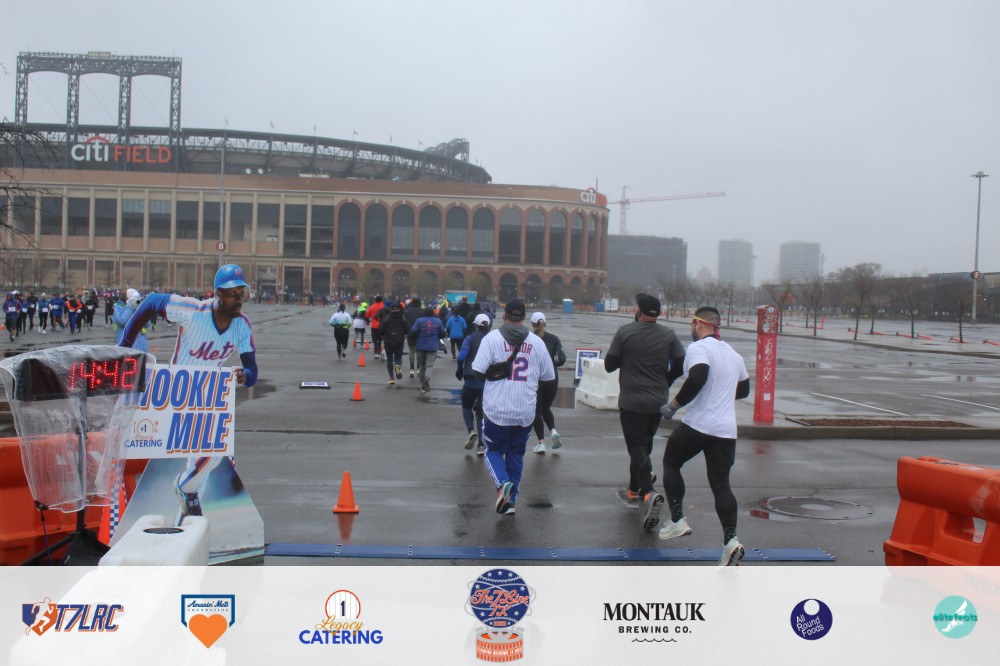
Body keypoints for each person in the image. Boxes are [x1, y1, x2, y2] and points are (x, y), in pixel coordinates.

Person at [119, 263, 258, 524]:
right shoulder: (193, 311)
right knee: (208, 457)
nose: (239, 299)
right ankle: (183, 489)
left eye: (242, 293)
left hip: (206, 398)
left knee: (207, 464)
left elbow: (252, 370)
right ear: (218, 294)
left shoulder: (242, 325)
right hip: (177, 394)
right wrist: (124, 346)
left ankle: (182, 520)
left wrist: (245, 375)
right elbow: (151, 302)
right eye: (233, 293)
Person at [657, 306, 751, 567]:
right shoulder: (733, 354)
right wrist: (720, 394)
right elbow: (744, 390)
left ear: (698, 323)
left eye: (691, 324)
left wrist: (674, 405)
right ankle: (731, 541)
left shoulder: (699, 348)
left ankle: (677, 520)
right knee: (721, 484)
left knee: (671, 462)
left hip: (698, 424)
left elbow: (698, 376)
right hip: (726, 431)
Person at [604, 293, 685, 532]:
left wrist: (626, 356)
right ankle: (633, 489)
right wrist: (665, 380)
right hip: (657, 401)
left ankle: (649, 493)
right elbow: (681, 364)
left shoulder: (625, 332)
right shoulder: (669, 334)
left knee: (636, 446)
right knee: (645, 445)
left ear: (637, 311)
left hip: (631, 401)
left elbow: (609, 365)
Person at [472, 299, 555, 516]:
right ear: (524, 317)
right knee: (516, 454)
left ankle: (503, 484)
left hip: (497, 409)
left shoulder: (491, 339)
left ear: (505, 315)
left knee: (492, 451)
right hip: (525, 409)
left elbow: (477, 371)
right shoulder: (537, 343)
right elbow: (548, 376)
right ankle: (511, 502)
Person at [529, 312, 566, 454]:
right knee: (546, 408)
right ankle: (553, 431)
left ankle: (541, 442)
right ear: (545, 323)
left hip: (536, 379)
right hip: (552, 379)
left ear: (532, 324)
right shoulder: (554, 339)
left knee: (536, 411)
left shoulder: (530, 339)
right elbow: (561, 358)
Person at [457, 313, 491, 454]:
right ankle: (481, 446)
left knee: (466, 406)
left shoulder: (470, 338)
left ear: (476, 325)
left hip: (471, 379)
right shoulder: (492, 339)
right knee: (481, 413)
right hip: (487, 381)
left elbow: (461, 357)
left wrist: (460, 370)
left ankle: (471, 431)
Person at [409, 306, 446, 393]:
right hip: (432, 346)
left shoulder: (419, 321)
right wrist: (437, 337)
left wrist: (417, 337)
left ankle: (423, 386)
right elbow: (443, 333)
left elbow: (412, 332)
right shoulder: (438, 321)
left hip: (420, 346)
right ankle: (427, 379)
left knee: (422, 366)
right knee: (430, 365)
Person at [379, 301, 409, 385]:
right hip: (399, 340)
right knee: (398, 358)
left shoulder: (387, 318)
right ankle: (397, 366)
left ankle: (391, 378)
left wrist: (383, 336)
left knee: (389, 359)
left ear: (391, 309)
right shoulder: (403, 318)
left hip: (388, 340)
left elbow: (381, 329)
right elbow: (408, 329)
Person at [403, 297, 424, 378]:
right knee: (419, 351)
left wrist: (406, 332)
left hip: (410, 333)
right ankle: (418, 368)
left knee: (411, 351)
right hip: (421, 334)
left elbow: (405, 323)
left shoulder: (407, 312)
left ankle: (411, 369)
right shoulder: (423, 311)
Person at [366, 295, 385, 360]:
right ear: (382, 300)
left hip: (374, 326)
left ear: (375, 300)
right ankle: (380, 351)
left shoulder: (372, 307)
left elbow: (367, 315)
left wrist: (368, 321)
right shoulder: (384, 306)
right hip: (382, 326)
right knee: (380, 339)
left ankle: (376, 353)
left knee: (375, 340)